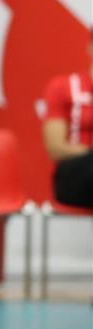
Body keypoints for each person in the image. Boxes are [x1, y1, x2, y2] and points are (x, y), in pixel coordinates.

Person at [42, 33, 93, 208]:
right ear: (90, 46)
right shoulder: (63, 86)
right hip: (74, 173)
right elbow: (56, 148)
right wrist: (88, 153)